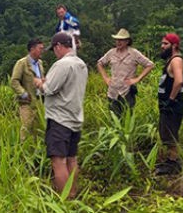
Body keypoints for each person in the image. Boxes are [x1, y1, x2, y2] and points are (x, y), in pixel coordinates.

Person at [34, 32, 88, 198]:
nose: (54, 53)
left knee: (58, 161)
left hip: (59, 120)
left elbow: (49, 88)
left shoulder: (62, 65)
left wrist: (39, 83)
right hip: (75, 118)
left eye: (54, 49)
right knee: (71, 159)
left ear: (58, 46)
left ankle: (65, 200)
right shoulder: (81, 64)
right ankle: (73, 194)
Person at [97, 28, 154, 117]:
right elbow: (100, 63)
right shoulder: (111, 53)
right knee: (114, 119)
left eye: (121, 40)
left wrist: (137, 79)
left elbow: (150, 65)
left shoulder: (133, 53)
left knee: (127, 118)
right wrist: (106, 78)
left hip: (127, 92)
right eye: (117, 40)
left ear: (127, 41)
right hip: (113, 92)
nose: (118, 42)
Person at [155, 33, 183, 175]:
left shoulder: (176, 60)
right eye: (162, 43)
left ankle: (174, 164)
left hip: (173, 105)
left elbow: (179, 81)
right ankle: (170, 160)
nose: (162, 46)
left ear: (174, 46)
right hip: (167, 105)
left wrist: (171, 100)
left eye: (165, 44)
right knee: (166, 133)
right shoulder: (171, 60)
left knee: (171, 135)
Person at [10, 38, 45, 142]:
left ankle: (34, 150)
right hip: (27, 102)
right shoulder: (22, 63)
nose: (42, 51)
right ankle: (22, 151)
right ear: (32, 49)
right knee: (26, 127)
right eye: (40, 48)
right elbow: (14, 81)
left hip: (40, 101)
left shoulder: (40, 63)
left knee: (37, 128)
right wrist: (24, 94)